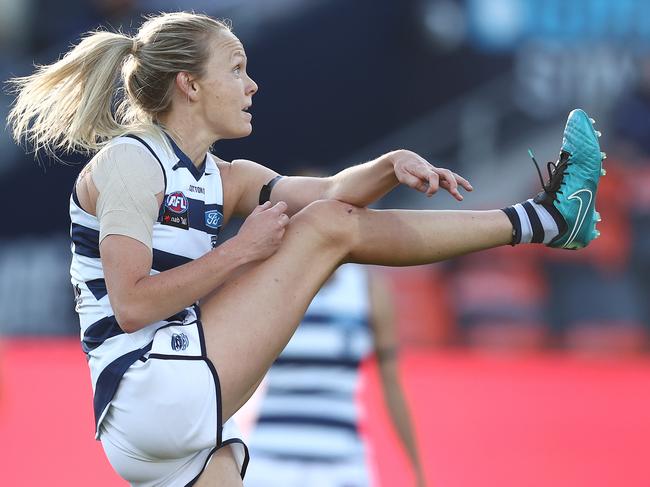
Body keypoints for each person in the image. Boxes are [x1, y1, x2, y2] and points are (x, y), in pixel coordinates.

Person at [6, 11, 604, 487]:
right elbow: (132, 305)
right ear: (189, 85)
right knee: (323, 229)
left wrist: (389, 165)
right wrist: (241, 251)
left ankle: (547, 220)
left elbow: (332, 191)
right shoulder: (131, 162)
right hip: (150, 388)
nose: (252, 83)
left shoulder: (222, 174)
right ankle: (545, 219)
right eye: (237, 68)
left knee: (327, 217)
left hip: (176, 411)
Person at [245, 265, 425, 487]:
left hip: (342, 464)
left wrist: (417, 470)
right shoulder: (270, 283)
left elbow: (392, 385)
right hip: (270, 464)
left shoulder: (368, 288)